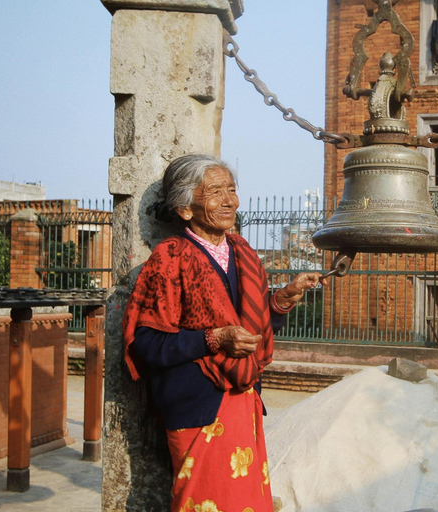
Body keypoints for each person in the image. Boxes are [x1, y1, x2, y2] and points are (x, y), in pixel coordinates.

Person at [122, 154, 326, 512]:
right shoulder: (170, 259)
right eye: (215, 192)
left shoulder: (243, 254)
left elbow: (251, 328)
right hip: (198, 407)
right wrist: (213, 339)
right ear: (185, 208)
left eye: (231, 189)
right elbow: (147, 345)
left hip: (242, 400)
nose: (230, 200)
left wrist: (282, 299)